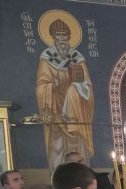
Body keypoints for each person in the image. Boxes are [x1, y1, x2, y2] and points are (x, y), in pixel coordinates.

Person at [36, 19, 94, 170]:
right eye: (58, 35)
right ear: (53, 37)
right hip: (55, 111)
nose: (62, 39)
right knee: (58, 149)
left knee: (73, 90)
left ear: (69, 37)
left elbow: (86, 85)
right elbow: (41, 85)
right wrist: (52, 86)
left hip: (75, 114)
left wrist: (76, 87)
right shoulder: (47, 57)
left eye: (65, 35)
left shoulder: (77, 57)